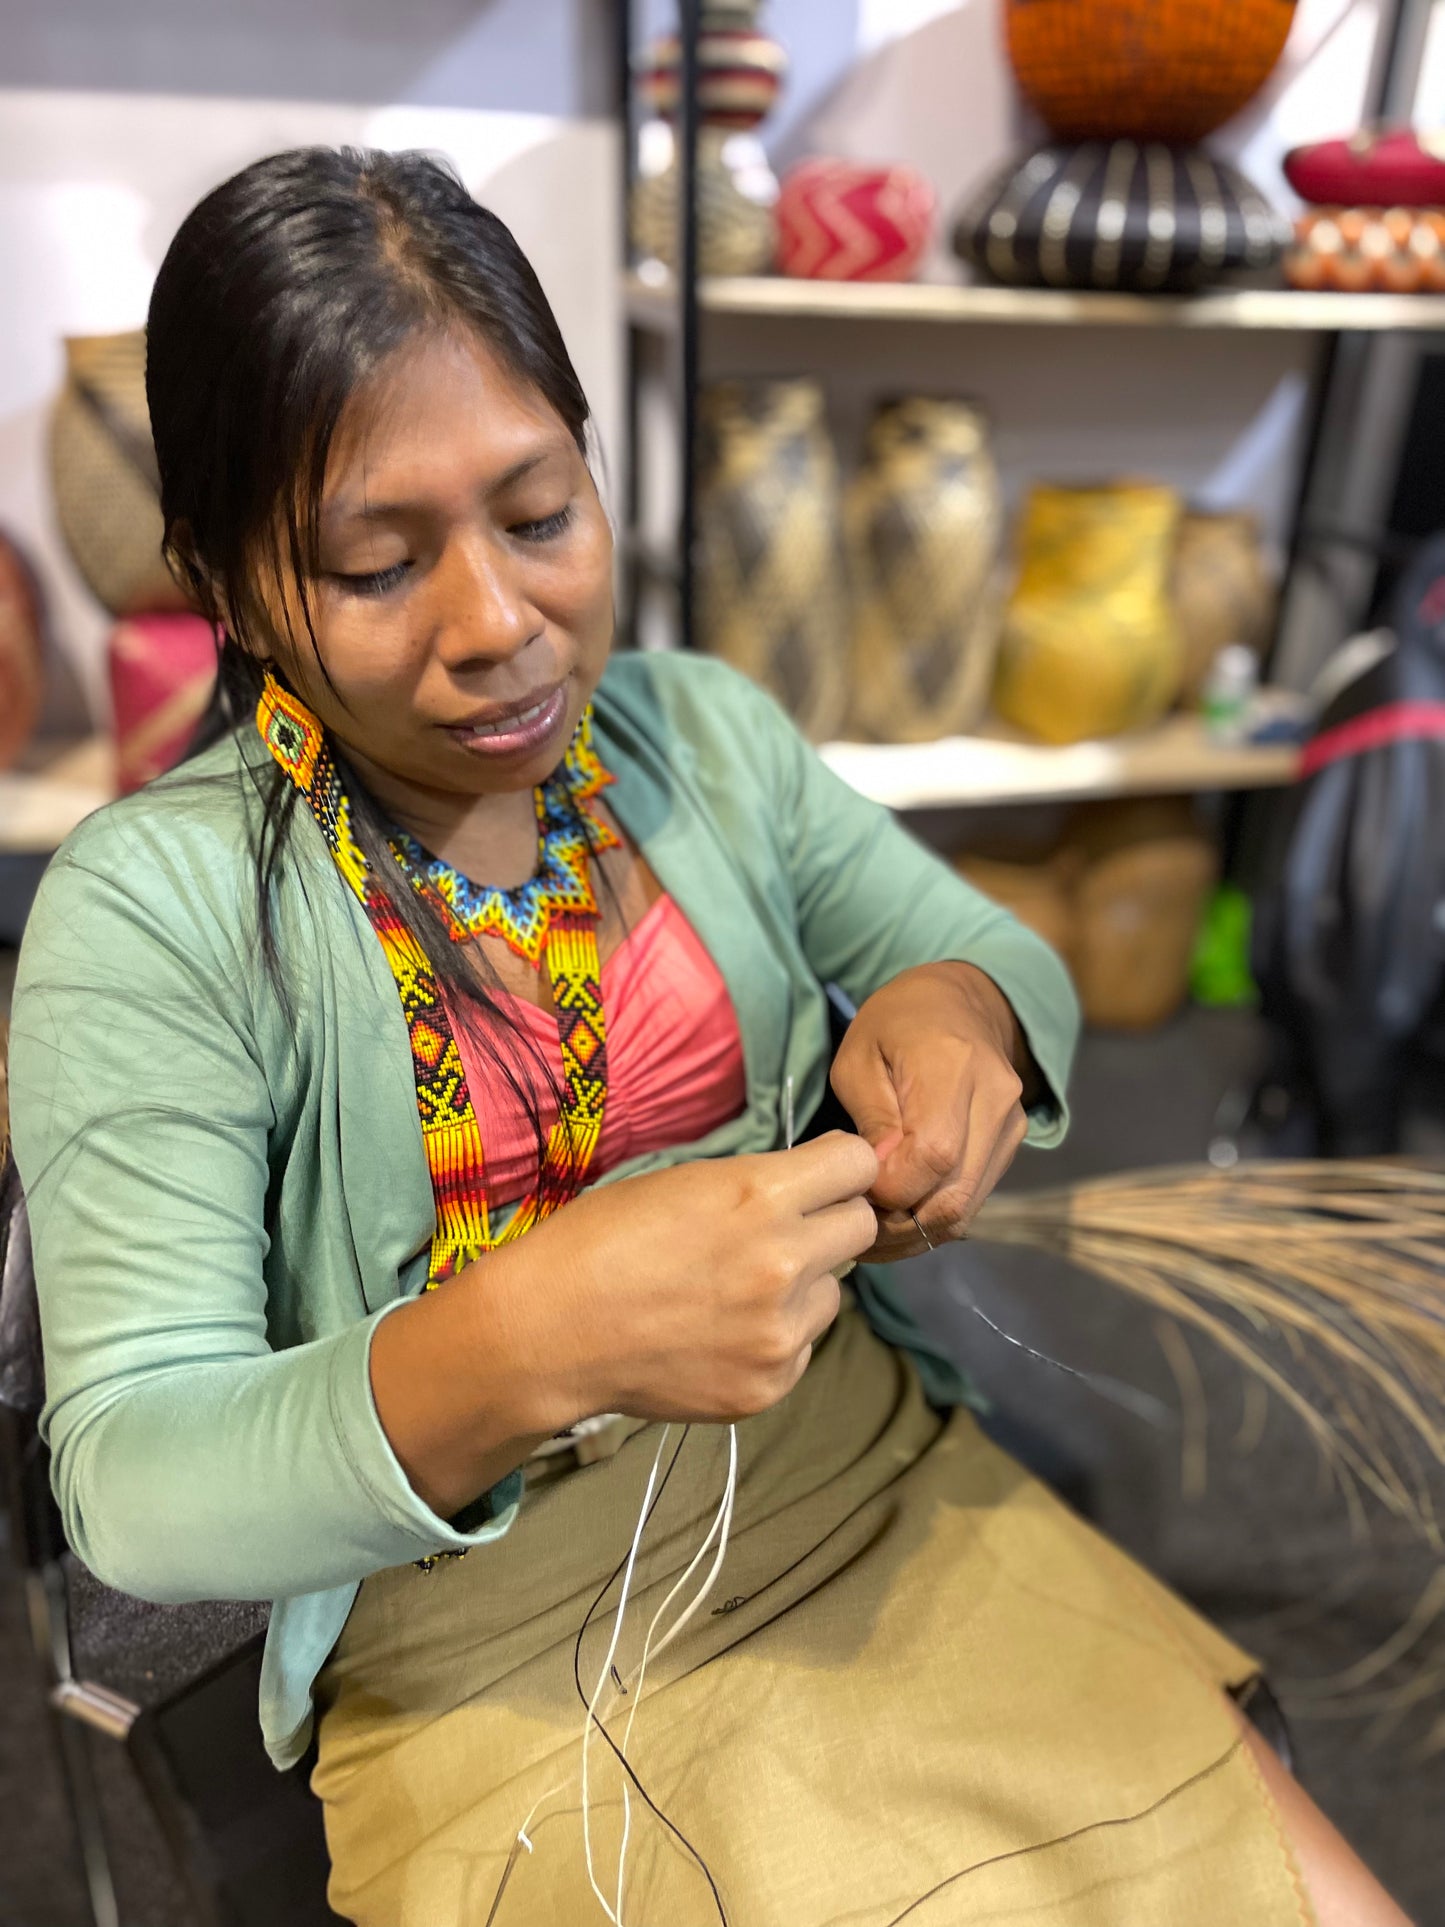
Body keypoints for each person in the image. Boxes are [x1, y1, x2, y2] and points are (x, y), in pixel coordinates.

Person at [8, 148, 1410, 1927]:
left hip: (864, 1482)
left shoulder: (701, 740)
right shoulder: (155, 909)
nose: (500, 626)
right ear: (225, 580)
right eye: (376, 564)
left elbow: (981, 952)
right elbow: (132, 1482)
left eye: (539, 515)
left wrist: (953, 1014)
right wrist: (526, 1344)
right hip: (490, 1637)